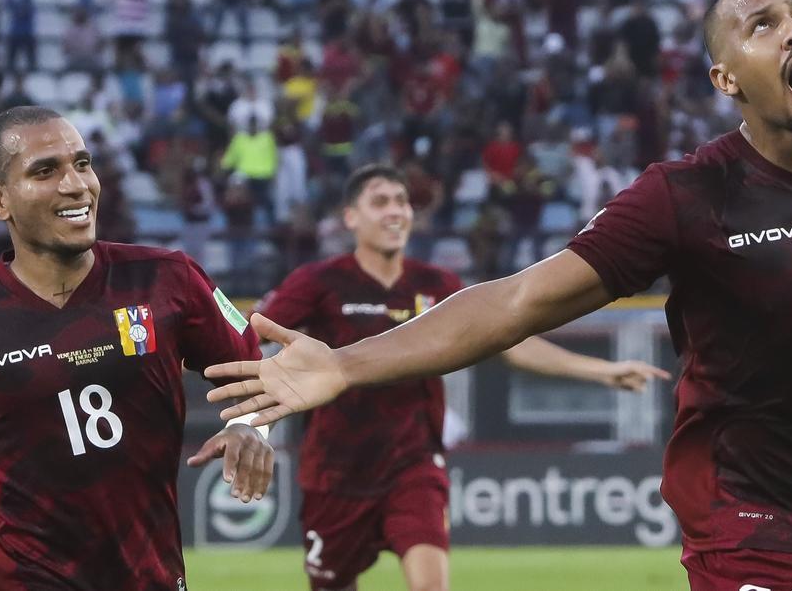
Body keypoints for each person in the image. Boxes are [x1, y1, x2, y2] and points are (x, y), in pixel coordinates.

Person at [206, 0, 792, 590]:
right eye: (762, 25)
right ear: (726, 77)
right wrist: (347, 366)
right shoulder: (685, 198)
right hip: (749, 516)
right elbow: (518, 300)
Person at [251, 164, 669, 591]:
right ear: (351, 217)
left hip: (413, 466)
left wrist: (600, 370)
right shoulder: (318, 282)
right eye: (380, 202)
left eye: (402, 201)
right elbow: (254, 332)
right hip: (335, 471)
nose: (395, 211)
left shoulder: (437, 285)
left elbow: (509, 341)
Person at [0, 106, 274, 589]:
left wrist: (251, 428)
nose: (76, 184)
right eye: (45, 171)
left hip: (147, 572)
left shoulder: (169, 279)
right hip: (19, 573)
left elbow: (255, 372)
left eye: (82, 164)